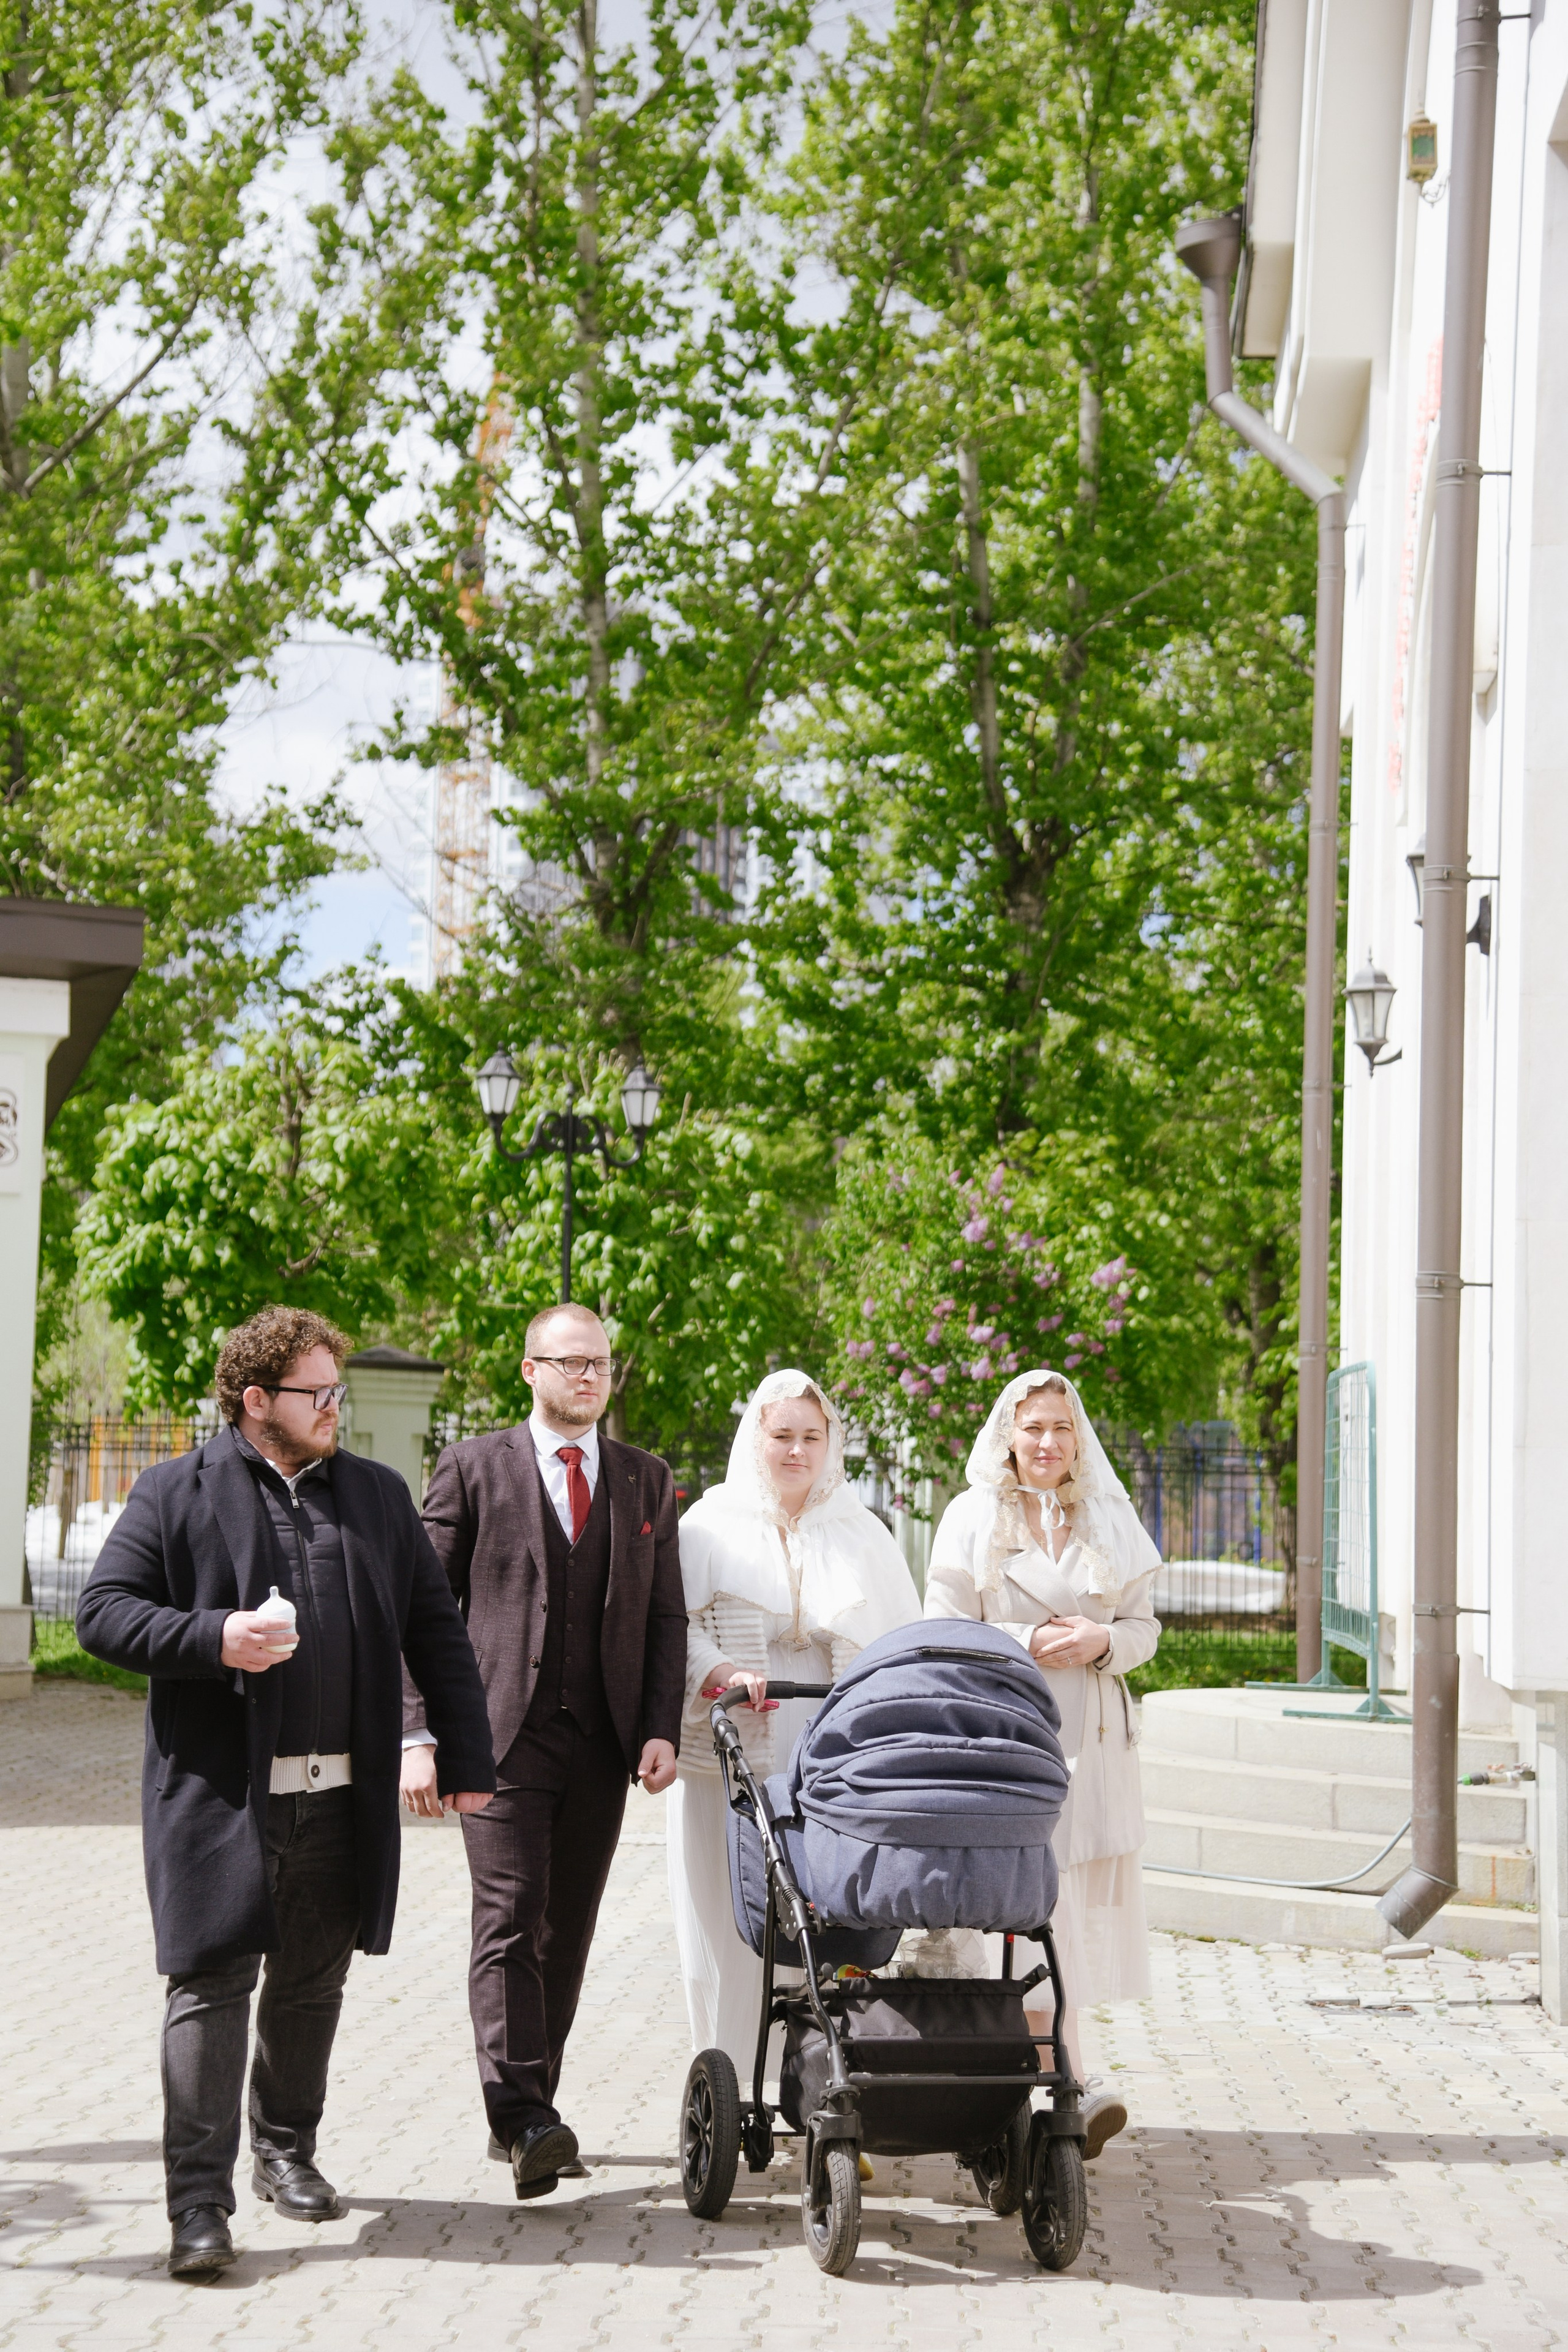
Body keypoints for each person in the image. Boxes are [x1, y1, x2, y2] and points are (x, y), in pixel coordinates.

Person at [76, 1307, 496, 2280]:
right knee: (211, 1988)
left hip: (341, 1798)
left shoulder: (380, 1499)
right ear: (257, 1401)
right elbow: (103, 1613)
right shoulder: (175, 1491)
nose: (334, 1408)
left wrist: (467, 1764)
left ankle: (285, 2150)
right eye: (319, 1394)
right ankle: (198, 2205)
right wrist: (211, 1637)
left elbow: (435, 1635)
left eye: (338, 1391)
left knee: (312, 1985)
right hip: (223, 1798)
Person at [399, 1303, 685, 2204]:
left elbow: (666, 1615)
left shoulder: (645, 1482)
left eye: (600, 1363)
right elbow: (421, 1611)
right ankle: (521, 2116)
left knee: (566, 1931)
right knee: (510, 1921)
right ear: (530, 1371)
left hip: (600, 1744)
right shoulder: (473, 1469)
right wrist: (420, 1733)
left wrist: (659, 1725)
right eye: (570, 1363)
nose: (589, 1378)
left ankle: (530, 2112)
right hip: (497, 1739)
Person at [924, 1368, 1160, 2164]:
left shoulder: (1107, 1516)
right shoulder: (971, 1519)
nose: (1049, 1443)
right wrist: (1027, 1645)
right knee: (1024, 1916)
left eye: (1061, 1427)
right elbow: (942, 1631)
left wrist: (1101, 1642)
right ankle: (1062, 2081)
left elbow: (1144, 1631)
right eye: (1034, 1429)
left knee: (1069, 1923)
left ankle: (1057, 2077)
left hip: (1094, 1747)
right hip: (1008, 1738)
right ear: (1009, 1436)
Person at [666, 1370, 922, 2091]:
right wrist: (718, 1671)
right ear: (756, 1437)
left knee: (828, 1916)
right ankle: (728, 2086)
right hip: (732, 1746)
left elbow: (898, 1641)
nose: (797, 1451)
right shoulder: (708, 1524)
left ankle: (826, 2082)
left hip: (830, 1748)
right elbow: (673, 1627)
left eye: (812, 1437)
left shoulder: (863, 1531)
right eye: (782, 1435)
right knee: (728, 1915)